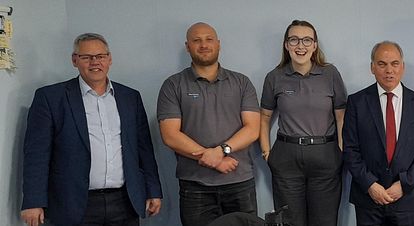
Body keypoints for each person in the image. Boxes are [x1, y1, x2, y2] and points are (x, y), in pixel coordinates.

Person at [20, 33, 163, 226]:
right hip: (73, 203)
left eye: (100, 56)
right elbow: (36, 155)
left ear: (109, 59)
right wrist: (33, 201)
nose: (94, 62)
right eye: (86, 57)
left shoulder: (130, 97)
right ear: (74, 60)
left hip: (124, 201)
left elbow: (144, 149)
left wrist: (153, 190)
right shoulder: (50, 98)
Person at [157, 22, 261, 226]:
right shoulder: (173, 85)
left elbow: (252, 129)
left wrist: (221, 151)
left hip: (239, 183)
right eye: (197, 40)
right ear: (188, 46)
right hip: (196, 186)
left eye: (209, 39)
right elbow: (170, 135)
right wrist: (213, 159)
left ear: (218, 44)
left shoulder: (242, 82)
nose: (203, 45)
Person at [259, 20, 347, 226]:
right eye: (294, 40)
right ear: (286, 44)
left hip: (325, 156)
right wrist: (266, 152)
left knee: (324, 221)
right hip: (286, 158)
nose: (301, 46)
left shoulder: (330, 74)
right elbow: (264, 117)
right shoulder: (274, 77)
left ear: (315, 45)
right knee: (289, 222)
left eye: (307, 40)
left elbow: (341, 116)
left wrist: (341, 151)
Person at [343, 41, 414, 226]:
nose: (389, 70)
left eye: (394, 64)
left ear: (402, 67)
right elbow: (350, 149)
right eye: (382, 64)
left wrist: (403, 185)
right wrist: (370, 185)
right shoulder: (356, 102)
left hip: (407, 199)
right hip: (368, 197)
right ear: (372, 67)